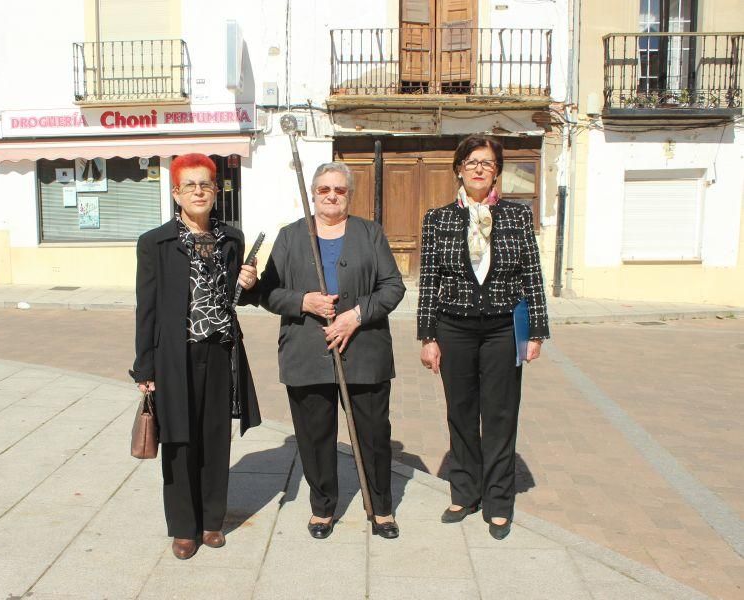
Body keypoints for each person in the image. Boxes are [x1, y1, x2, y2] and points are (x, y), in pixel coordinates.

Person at [260, 162, 405, 540]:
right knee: (315, 436)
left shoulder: (370, 233)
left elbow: (392, 287)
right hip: (307, 354)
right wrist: (302, 301)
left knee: (373, 435)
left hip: (365, 353)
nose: (331, 196)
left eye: (339, 190)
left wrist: (356, 315)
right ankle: (323, 507)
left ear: (349, 195)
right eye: (324, 189)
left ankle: (381, 507)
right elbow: (267, 292)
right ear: (313, 193)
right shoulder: (291, 236)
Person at [129, 153, 262, 560]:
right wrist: (145, 366)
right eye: (190, 185)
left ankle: (211, 522)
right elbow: (146, 307)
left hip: (221, 352)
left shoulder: (232, 239)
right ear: (176, 193)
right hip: (175, 356)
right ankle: (183, 527)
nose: (199, 191)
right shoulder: (156, 242)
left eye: (206, 184)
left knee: (215, 439)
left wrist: (252, 282)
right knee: (180, 442)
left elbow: (241, 296)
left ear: (217, 189)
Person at [417, 135, 550, 540]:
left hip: (501, 328)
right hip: (453, 327)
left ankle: (497, 500)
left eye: (487, 163)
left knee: (499, 415)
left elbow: (531, 273)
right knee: (460, 412)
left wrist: (536, 332)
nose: (479, 168)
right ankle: (464, 491)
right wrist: (427, 335)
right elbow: (429, 281)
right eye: (472, 161)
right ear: (458, 168)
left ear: (496, 172)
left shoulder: (516, 216)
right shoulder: (437, 219)